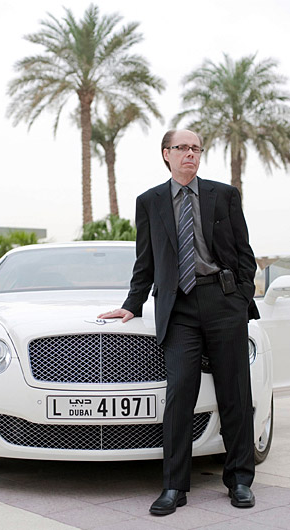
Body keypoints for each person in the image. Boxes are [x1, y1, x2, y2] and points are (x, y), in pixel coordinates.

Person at [98, 129, 260, 516]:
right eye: (182, 148)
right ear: (166, 154)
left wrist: (240, 297)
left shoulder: (223, 195)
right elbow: (145, 261)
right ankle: (174, 486)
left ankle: (239, 479)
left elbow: (244, 252)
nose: (190, 154)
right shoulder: (150, 201)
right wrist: (132, 304)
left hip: (222, 301)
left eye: (196, 148)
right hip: (179, 307)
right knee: (179, 395)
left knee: (235, 393)